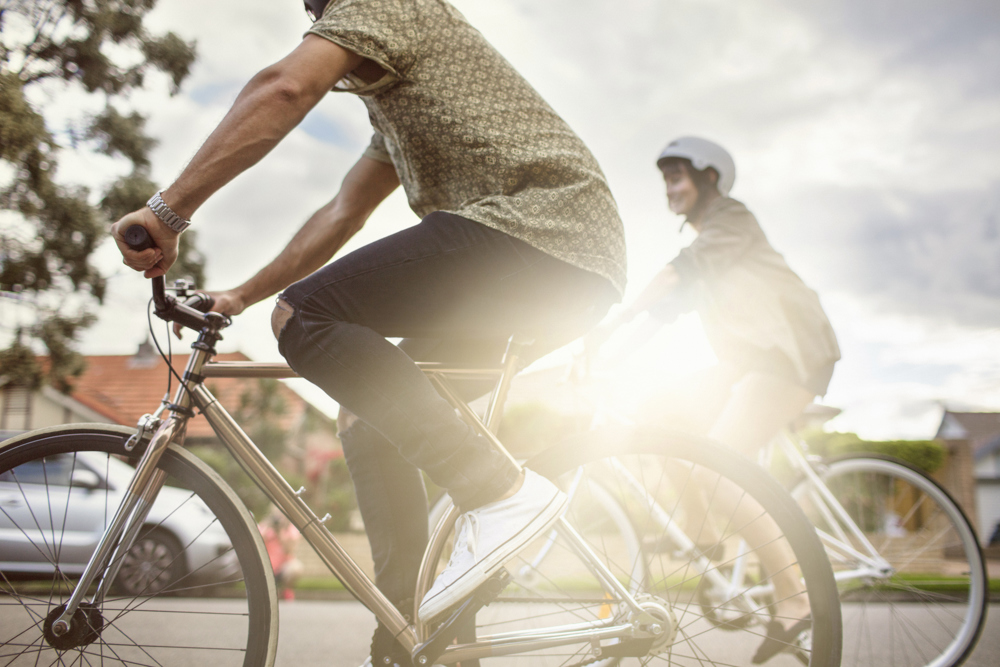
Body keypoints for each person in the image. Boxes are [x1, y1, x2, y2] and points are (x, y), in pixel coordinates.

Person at [112, 1, 625, 665]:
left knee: (305, 317)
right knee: (361, 411)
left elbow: (285, 87)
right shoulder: (393, 105)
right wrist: (240, 294)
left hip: (542, 235)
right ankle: (414, 640)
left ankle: (500, 489)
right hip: (553, 263)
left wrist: (166, 212)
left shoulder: (388, 4)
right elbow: (341, 213)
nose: (309, 9)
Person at [593, 136, 840, 663]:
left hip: (789, 353)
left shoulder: (732, 219)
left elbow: (680, 270)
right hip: (751, 363)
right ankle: (706, 541)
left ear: (709, 179)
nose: (670, 188)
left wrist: (616, 317)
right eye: (665, 180)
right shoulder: (710, 242)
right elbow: (666, 312)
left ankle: (795, 605)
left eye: (679, 176)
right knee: (658, 417)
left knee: (717, 467)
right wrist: (606, 356)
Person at [258, 505, 304, 601]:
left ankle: (286, 589)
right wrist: (268, 527)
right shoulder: (265, 526)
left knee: (296, 568)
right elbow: (257, 543)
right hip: (266, 565)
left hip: (283, 567)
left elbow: (289, 549)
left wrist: (280, 532)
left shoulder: (290, 528)